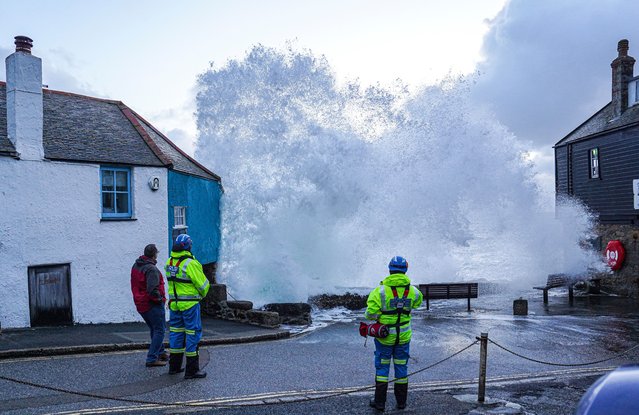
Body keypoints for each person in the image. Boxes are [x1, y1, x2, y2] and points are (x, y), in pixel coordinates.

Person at [365, 256, 423, 411]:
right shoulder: (414, 291)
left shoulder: (380, 291)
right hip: (403, 337)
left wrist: (380, 316)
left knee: (382, 369)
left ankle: (379, 403)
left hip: (384, 337)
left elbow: (369, 313)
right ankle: (401, 402)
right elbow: (417, 303)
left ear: (389, 269)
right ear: (405, 270)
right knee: (401, 368)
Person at [165, 234, 210, 379]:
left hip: (175, 305)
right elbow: (203, 285)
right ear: (188, 246)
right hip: (190, 305)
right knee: (192, 334)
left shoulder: (169, 262)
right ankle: (191, 370)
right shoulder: (190, 263)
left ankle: (174, 367)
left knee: (176, 334)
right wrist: (201, 295)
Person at [130, 243, 168, 367]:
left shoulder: (136, 265)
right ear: (154, 255)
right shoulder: (151, 269)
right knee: (160, 330)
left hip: (140, 303)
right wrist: (160, 299)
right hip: (151, 304)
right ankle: (152, 358)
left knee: (154, 328)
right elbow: (152, 289)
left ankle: (160, 352)